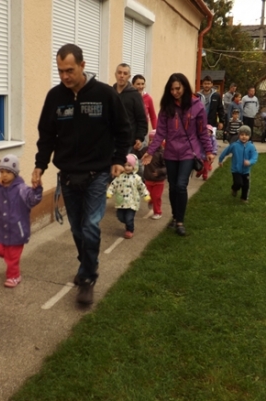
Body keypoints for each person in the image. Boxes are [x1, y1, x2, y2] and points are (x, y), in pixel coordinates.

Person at [33, 43, 131, 305]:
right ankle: (87, 263)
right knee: (77, 229)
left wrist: (118, 159)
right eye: (60, 71)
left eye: (70, 70)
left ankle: (87, 278)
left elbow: (123, 130)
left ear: (82, 66)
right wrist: (40, 165)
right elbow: (46, 135)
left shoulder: (104, 94)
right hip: (67, 175)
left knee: (90, 225)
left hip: (97, 174)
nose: (65, 76)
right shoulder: (55, 97)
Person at [141, 73, 215, 236]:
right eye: (172, 89)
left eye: (178, 88)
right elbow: (160, 133)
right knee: (173, 186)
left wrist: (209, 151)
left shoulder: (197, 106)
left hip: (189, 151)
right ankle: (175, 217)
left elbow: (202, 132)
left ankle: (180, 221)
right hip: (171, 152)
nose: (175, 92)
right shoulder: (166, 107)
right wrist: (150, 152)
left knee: (181, 185)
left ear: (185, 87)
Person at [0, 154, 43, 288]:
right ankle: (11, 263)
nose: (4, 175)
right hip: (0, 229)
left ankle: (14, 276)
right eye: (2, 172)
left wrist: (37, 189)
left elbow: (33, 199)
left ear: (15, 173)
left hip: (17, 231)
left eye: (8, 172)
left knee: (12, 257)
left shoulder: (22, 189)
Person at [107, 154, 150, 239]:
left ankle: (130, 230)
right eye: (125, 165)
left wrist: (146, 195)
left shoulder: (136, 178)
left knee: (129, 218)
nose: (126, 167)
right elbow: (113, 185)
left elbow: (142, 187)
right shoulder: (119, 177)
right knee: (120, 217)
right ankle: (128, 223)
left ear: (134, 167)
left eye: (129, 165)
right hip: (121, 202)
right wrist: (109, 193)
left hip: (132, 202)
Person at [218, 125, 258, 203]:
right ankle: (234, 189)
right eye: (242, 134)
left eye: (246, 135)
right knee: (238, 183)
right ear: (239, 135)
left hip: (246, 171)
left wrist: (250, 162)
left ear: (249, 136)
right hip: (236, 170)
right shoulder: (234, 145)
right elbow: (225, 151)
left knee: (245, 185)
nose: (244, 137)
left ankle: (244, 198)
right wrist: (220, 160)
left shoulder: (251, 146)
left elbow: (254, 156)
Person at [113, 64, 148, 151]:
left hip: (128, 143)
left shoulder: (135, 95)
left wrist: (139, 138)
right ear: (115, 74)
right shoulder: (110, 93)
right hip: (111, 142)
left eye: (125, 73)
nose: (122, 76)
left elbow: (141, 119)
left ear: (129, 76)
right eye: (119, 72)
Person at [143, 130, 166, 220]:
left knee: (156, 197)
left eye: (154, 140)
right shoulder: (146, 151)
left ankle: (158, 212)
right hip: (148, 179)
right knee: (148, 195)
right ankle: (151, 201)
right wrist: (136, 148)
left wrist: (160, 172)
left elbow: (167, 167)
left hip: (158, 180)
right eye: (150, 140)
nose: (151, 142)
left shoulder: (162, 153)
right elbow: (138, 154)